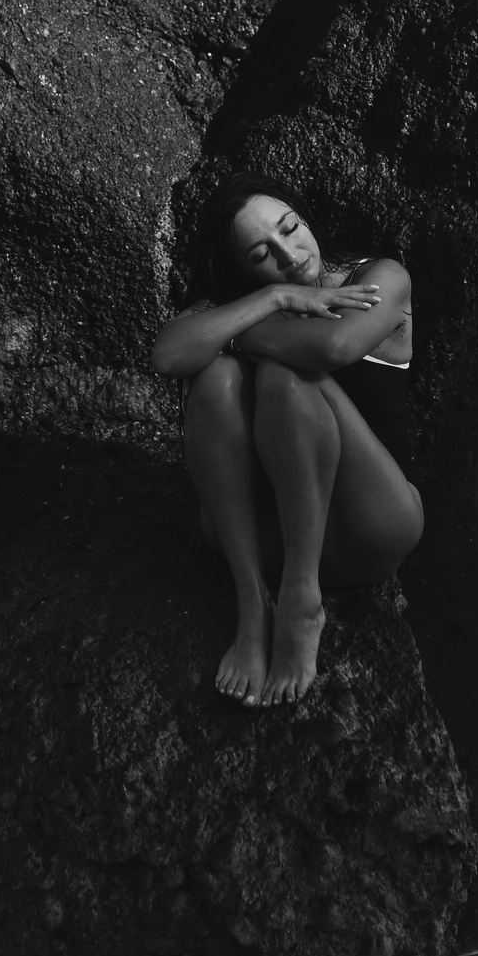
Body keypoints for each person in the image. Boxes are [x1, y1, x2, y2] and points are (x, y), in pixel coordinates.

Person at [149, 174, 423, 707]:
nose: (289, 254)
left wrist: (235, 330)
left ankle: (301, 600)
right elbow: (167, 356)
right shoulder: (257, 297)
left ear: (306, 216)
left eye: (291, 228)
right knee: (215, 379)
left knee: (283, 375)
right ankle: (254, 606)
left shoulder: (380, 276)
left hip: (374, 523)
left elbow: (334, 347)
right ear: (243, 269)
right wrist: (274, 298)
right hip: (267, 535)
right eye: (261, 255)